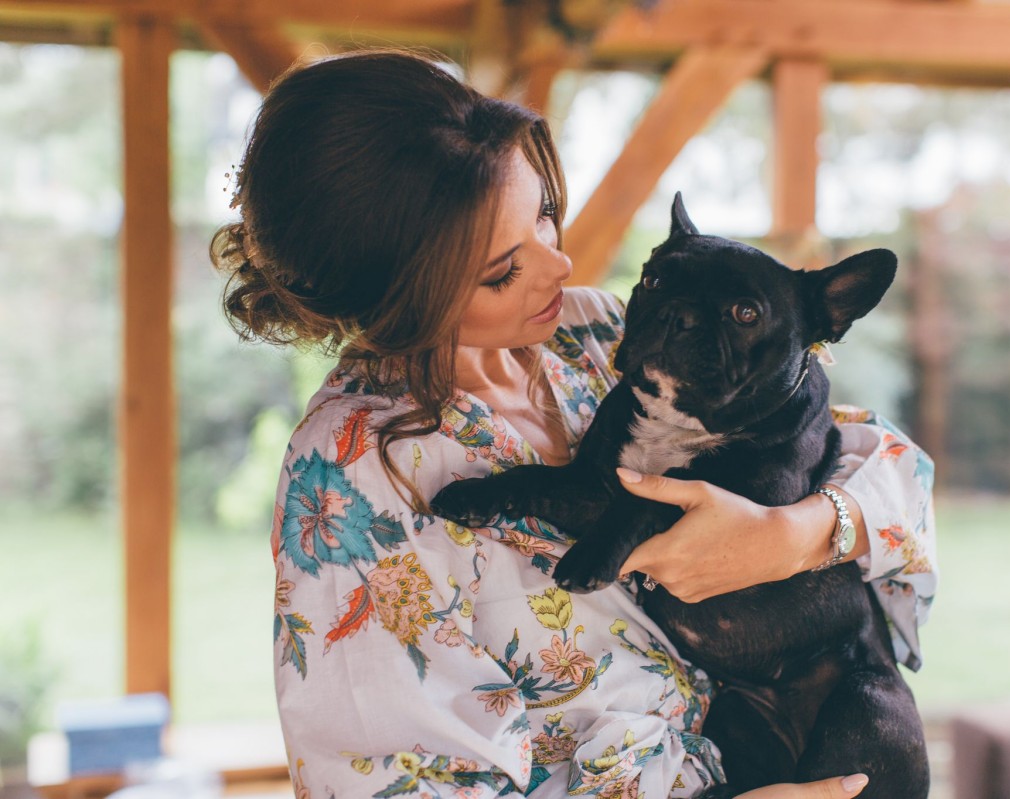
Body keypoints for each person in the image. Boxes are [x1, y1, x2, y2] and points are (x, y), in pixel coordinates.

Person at [211, 49, 937, 799]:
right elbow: (395, 783)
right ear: (399, 294)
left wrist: (803, 530)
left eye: (546, 216)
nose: (558, 267)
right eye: (502, 270)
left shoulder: (598, 333)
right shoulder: (355, 468)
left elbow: (891, 468)